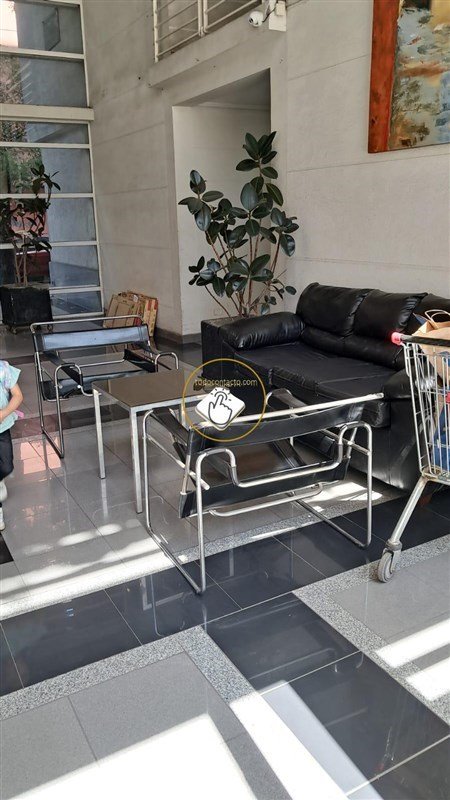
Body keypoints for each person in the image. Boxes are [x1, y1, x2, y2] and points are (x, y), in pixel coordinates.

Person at [0, 361, 23, 532]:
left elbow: (17, 395)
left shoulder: (3, 369)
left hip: (2, 428)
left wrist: (3, 413)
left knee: (7, 466)